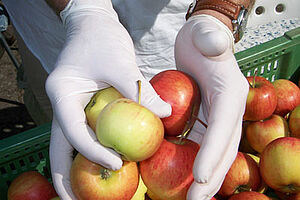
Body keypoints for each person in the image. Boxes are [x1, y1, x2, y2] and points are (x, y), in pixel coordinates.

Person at [2, 0, 254, 199]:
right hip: (59, 34)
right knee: (66, 121)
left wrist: (218, 12)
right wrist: (81, 9)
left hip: (174, 31)